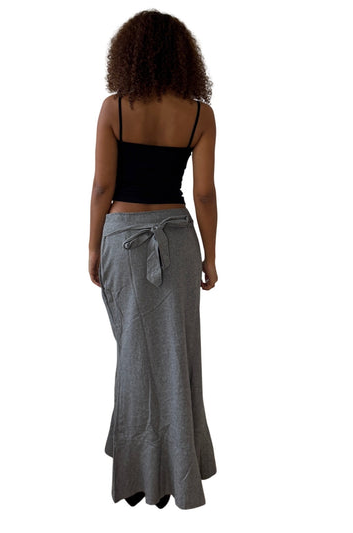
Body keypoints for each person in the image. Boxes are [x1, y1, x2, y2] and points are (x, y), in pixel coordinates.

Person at [88, 9, 218, 510]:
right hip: (179, 240)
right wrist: (211, 255)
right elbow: (203, 193)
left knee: (134, 356)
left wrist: (92, 246)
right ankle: (173, 470)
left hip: (122, 237)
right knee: (176, 355)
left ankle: (139, 474)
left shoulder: (115, 108)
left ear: (129, 55)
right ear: (185, 58)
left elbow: (102, 186)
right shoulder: (200, 115)